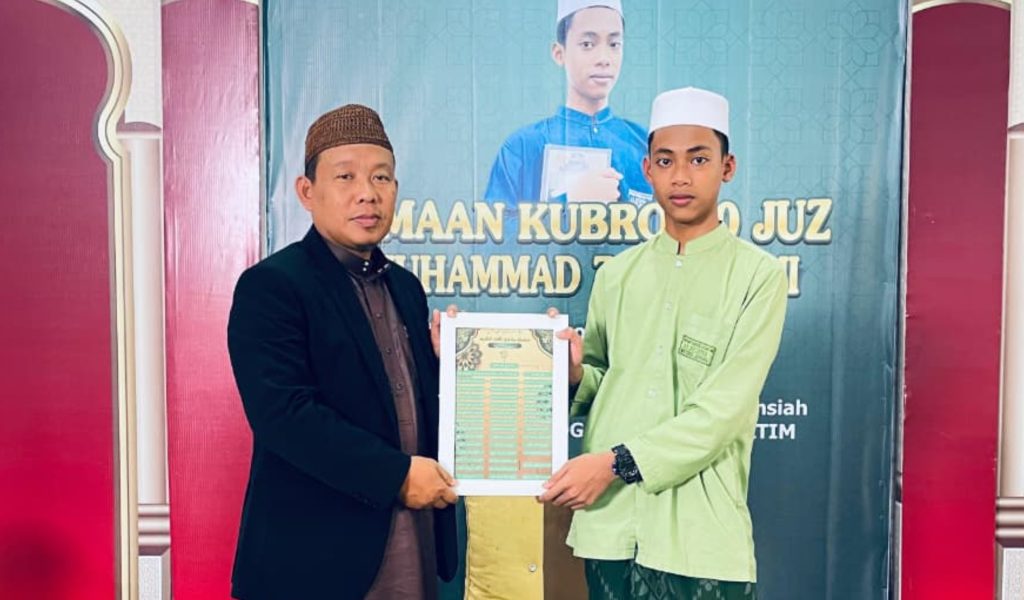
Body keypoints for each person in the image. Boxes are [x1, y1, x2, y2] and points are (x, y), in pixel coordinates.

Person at [539, 87, 789, 599]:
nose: (680, 177)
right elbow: (604, 379)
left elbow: (721, 414)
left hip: (700, 538)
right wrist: (573, 374)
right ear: (647, 170)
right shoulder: (618, 275)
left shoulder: (758, 277)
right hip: (610, 530)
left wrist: (613, 464)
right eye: (666, 160)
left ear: (727, 167)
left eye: (698, 159)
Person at [227, 104, 458, 600]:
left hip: (410, 540)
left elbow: (406, 404)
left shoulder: (406, 288)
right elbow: (284, 415)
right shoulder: (273, 285)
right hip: (314, 557)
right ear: (306, 192)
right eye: (346, 176)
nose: (367, 193)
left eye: (381, 177)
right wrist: (397, 475)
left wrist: (456, 368)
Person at [484, 0, 651, 206]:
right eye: (587, 44)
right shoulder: (523, 147)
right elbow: (494, 224)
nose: (604, 59)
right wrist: (569, 202)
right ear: (559, 54)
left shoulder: (645, 144)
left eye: (614, 44)